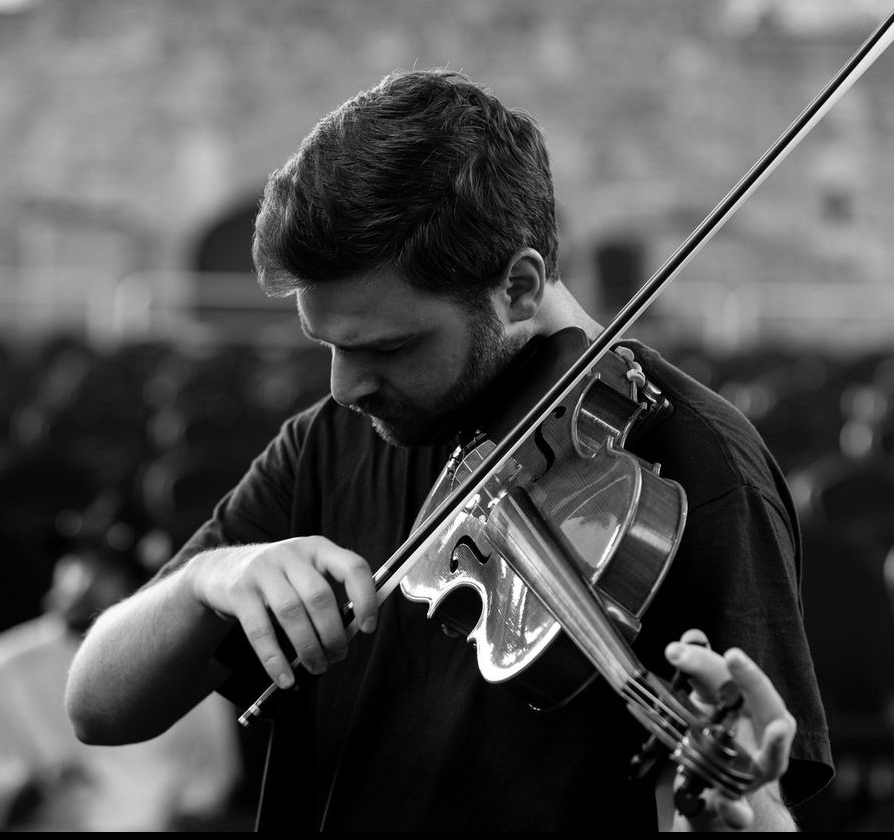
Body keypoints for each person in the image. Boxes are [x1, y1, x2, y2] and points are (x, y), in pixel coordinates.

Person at [65, 68, 834, 832]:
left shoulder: (695, 465)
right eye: (324, 344)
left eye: (388, 347)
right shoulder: (325, 442)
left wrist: (739, 819)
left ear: (520, 288)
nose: (343, 387)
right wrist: (210, 577)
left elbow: (747, 803)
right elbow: (97, 705)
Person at [0, 542, 244, 831]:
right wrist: (37, 782)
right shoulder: (4, 662)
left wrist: (187, 817)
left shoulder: (185, 654)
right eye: (79, 564)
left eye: (104, 569)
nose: (85, 582)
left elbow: (212, 773)